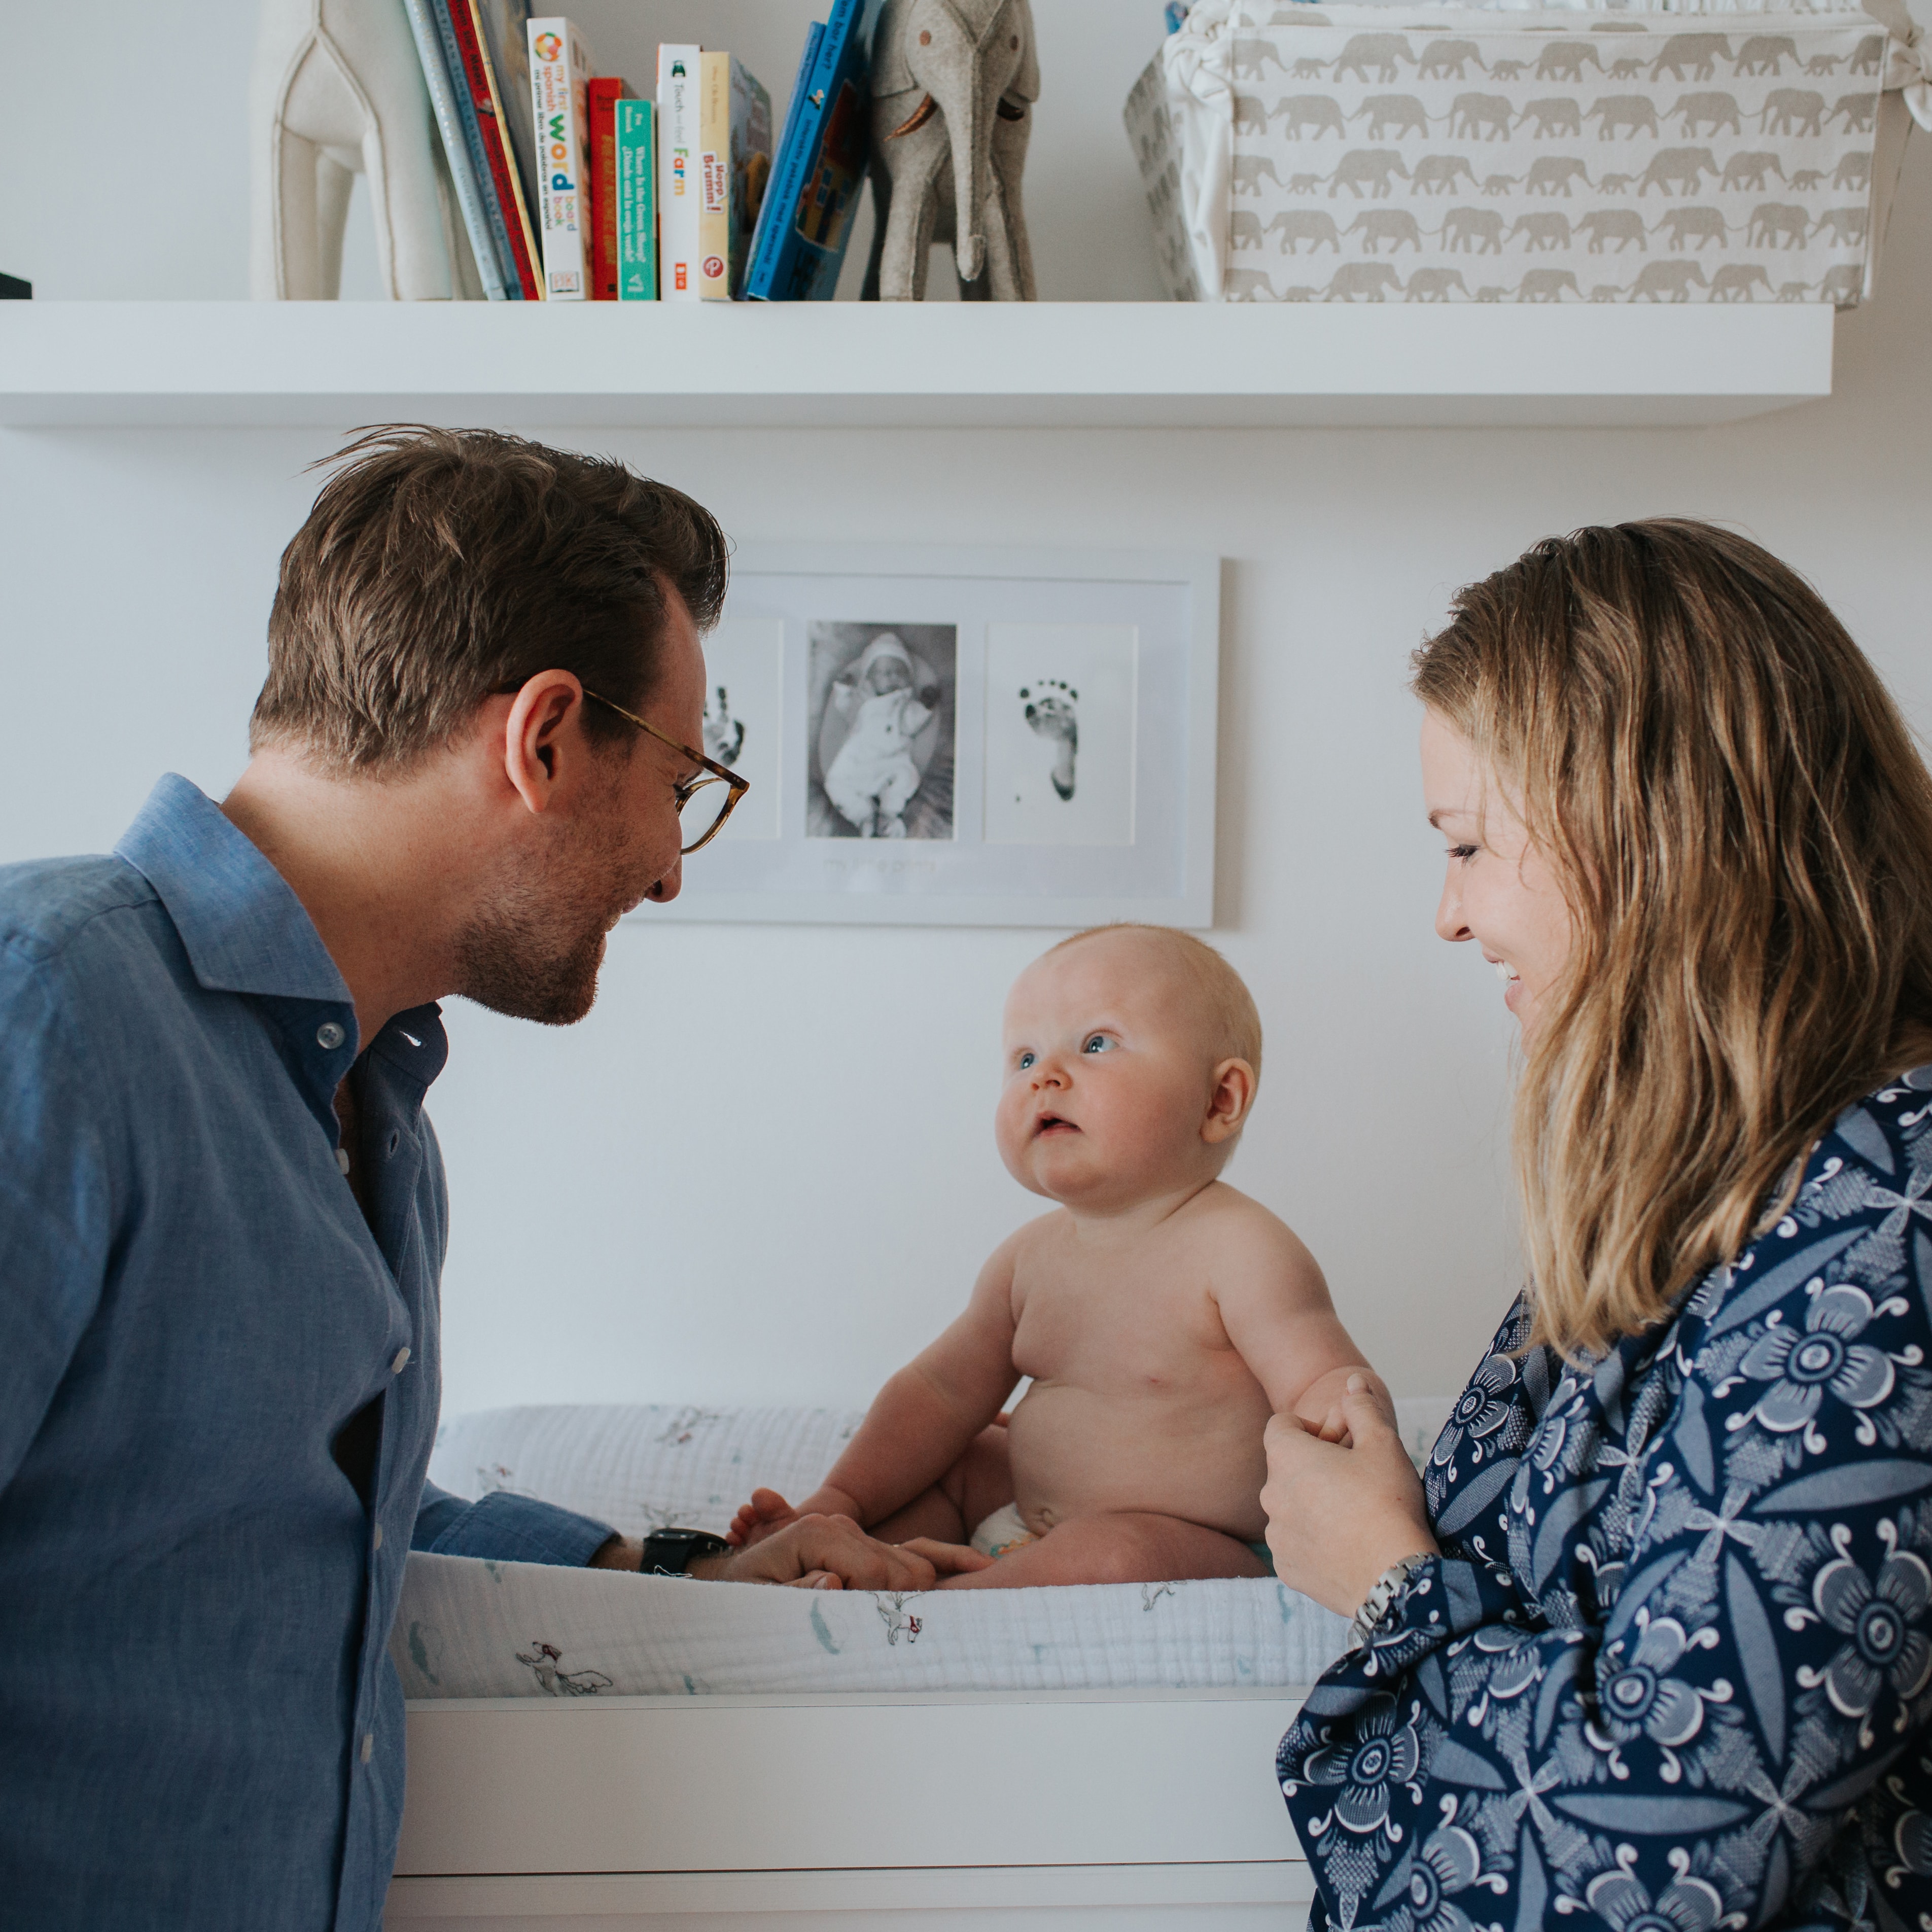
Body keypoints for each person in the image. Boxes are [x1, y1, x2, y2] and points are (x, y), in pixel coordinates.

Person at [0, 427, 975, 1932]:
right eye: (682, 781)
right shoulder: (48, 1009)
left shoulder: (381, 1114)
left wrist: (659, 1564)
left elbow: (303, 1527)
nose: (667, 866)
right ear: (542, 735)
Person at [1262, 520, 1932, 1931]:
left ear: (1641, 824)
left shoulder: (1890, 1219)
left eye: (1467, 845)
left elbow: (1659, 1864)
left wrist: (1387, 1584)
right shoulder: (1718, 1188)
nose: (1448, 917)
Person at [730, 924, 1377, 1587]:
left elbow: (1323, 1389)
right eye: (1023, 1058)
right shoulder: (1026, 1261)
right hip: (1019, 1526)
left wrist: (1359, 1464)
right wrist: (840, 1500)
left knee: (1117, 1551)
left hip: (1199, 1546)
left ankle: (932, 1597)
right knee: (955, 1458)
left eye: (1096, 1043)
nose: (1045, 1077)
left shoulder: (1240, 1248)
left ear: (1219, 1100)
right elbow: (939, 1392)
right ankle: (838, 1546)